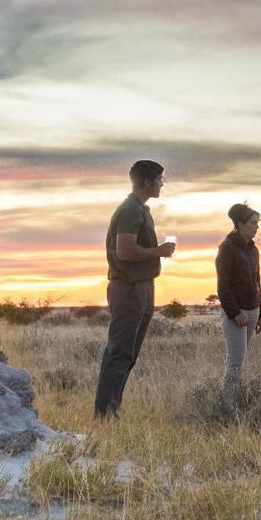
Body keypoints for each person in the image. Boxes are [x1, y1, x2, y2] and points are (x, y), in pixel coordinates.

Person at [93, 159, 176, 419]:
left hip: (142, 286)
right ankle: (105, 414)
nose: (163, 183)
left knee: (128, 353)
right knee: (120, 352)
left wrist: (156, 254)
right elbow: (125, 250)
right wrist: (159, 251)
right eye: (160, 179)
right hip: (128, 288)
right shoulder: (130, 210)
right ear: (147, 182)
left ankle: (111, 410)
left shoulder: (141, 210)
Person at [216, 202, 261, 382]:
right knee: (236, 361)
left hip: (252, 311)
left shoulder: (253, 250)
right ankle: (227, 403)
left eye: (258, 222)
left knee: (237, 359)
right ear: (240, 224)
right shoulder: (227, 247)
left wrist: (260, 314)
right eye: (253, 222)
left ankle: (229, 400)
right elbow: (223, 284)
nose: (257, 227)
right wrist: (234, 313)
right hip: (237, 312)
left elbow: (257, 282)